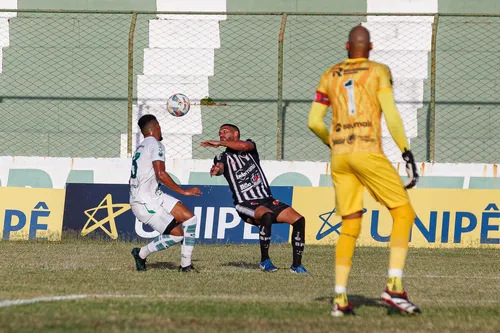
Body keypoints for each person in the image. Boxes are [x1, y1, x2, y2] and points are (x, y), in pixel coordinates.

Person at [308, 25, 421, 316]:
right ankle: (394, 287)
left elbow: (314, 122)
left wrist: (333, 143)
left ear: (347, 47)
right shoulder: (378, 70)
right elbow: (392, 114)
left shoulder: (329, 74)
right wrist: (405, 150)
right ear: (369, 48)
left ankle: (340, 299)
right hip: (367, 150)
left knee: (350, 225)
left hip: (340, 157)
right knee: (403, 212)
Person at [201, 124, 308, 274]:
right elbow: (220, 167)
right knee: (266, 215)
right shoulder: (222, 157)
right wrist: (216, 170)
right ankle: (265, 261)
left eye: (225, 131)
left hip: (267, 199)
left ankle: (296, 266)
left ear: (236, 133)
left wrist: (220, 143)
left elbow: (244, 145)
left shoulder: (249, 148)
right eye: (219, 133)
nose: (221, 134)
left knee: (299, 220)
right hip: (245, 203)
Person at [129, 114, 202, 272]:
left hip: (154, 195)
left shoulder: (141, 146)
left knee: (191, 219)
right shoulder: (155, 144)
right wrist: (184, 192)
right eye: (159, 126)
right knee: (177, 235)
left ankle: (185, 266)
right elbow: (161, 175)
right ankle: (141, 253)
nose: (160, 129)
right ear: (155, 127)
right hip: (145, 203)